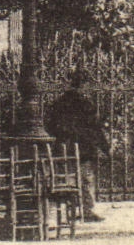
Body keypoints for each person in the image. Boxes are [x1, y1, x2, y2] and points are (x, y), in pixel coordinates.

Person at [46, 68, 110, 222]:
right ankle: (86, 210)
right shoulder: (85, 103)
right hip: (84, 148)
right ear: (84, 85)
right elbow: (95, 127)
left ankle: (69, 210)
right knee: (86, 179)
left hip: (64, 146)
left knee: (67, 178)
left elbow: (50, 125)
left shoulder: (59, 102)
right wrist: (105, 147)